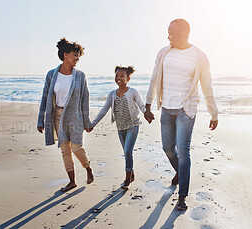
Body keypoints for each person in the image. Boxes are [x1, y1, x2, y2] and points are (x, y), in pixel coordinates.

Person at [144, 19, 219, 211]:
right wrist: (148, 104)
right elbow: (154, 79)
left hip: (186, 109)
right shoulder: (164, 52)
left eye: (172, 33)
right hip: (167, 109)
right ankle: (180, 172)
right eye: (168, 33)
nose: (168, 36)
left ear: (184, 33)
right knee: (168, 148)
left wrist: (213, 112)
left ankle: (182, 196)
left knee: (183, 151)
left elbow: (206, 85)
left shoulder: (199, 56)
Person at [37, 38, 94, 192]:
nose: (77, 58)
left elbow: (85, 100)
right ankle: (72, 181)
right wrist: (40, 120)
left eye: (78, 56)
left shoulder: (80, 76)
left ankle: (87, 168)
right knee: (65, 150)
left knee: (76, 147)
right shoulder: (51, 75)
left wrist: (87, 122)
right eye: (75, 55)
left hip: (75, 116)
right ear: (65, 54)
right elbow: (45, 97)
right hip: (58, 115)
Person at [91, 66, 145, 190]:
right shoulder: (112, 94)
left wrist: (146, 113)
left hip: (133, 126)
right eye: (117, 76)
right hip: (120, 127)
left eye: (122, 76)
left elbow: (141, 105)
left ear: (128, 79)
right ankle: (131, 174)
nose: (118, 78)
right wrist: (93, 124)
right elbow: (104, 110)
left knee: (127, 151)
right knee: (127, 153)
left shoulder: (133, 92)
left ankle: (127, 179)